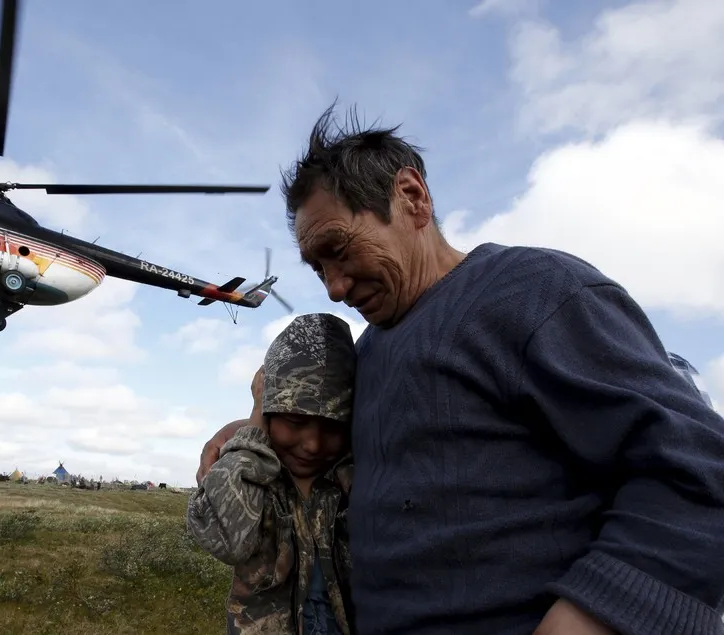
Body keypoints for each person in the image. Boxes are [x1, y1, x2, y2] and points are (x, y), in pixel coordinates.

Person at [198, 104, 724, 635]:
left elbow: (696, 470)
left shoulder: (534, 293)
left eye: (339, 250)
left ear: (411, 198)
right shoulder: (371, 353)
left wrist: (594, 616)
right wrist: (250, 427)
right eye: (318, 269)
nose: (333, 287)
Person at [187, 313, 357, 634]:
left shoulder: (353, 474)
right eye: (294, 423)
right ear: (268, 413)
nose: (313, 444)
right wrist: (252, 434)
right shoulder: (256, 473)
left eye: (332, 427)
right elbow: (225, 541)